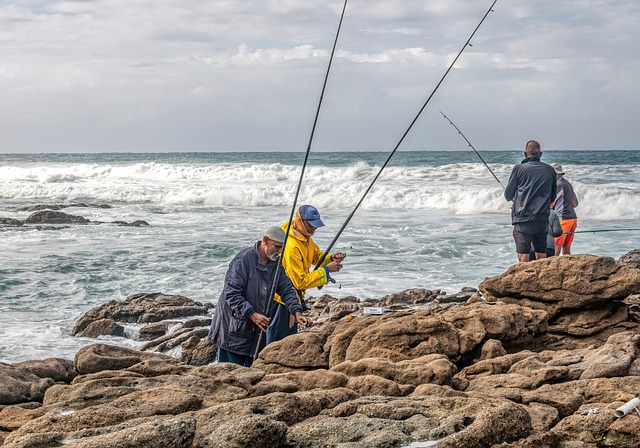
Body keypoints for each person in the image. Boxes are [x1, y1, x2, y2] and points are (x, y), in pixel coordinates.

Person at [207, 226, 313, 367]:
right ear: (265, 240)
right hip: (232, 331)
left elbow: (287, 289)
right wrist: (251, 314)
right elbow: (231, 293)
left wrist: (297, 312)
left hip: (256, 333)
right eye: (277, 247)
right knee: (229, 375)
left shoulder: (276, 265)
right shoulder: (243, 260)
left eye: (282, 248)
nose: (279, 252)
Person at [266, 205, 346, 344]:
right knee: (277, 342)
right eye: (312, 225)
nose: (315, 228)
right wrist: (326, 271)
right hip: (281, 300)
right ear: (301, 221)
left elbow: (315, 256)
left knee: (288, 341)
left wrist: (331, 258)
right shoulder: (291, 247)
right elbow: (300, 282)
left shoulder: (304, 236)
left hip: (292, 299)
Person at [504, 140, 557, 263]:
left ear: (525, 154)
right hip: (542, 219)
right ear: (540, 154)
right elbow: (552, 197)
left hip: (523, 220)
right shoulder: (550, 170)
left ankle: (524, 281)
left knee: (523, 256)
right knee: (541, 255)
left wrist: (517, 199)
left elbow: (508, 195)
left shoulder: (518, 169)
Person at [550, 163, 579, 256]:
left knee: (556, 248)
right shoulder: (567, 184)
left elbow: (551, 203)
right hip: (573, 219)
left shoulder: (558, 185)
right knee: (566, 248)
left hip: (563, 220)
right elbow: (575, 203)